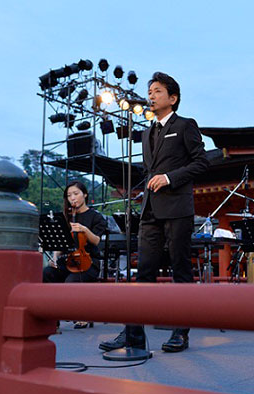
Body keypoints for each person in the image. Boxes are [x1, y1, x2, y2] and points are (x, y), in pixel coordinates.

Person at [99, 72, 208, 353]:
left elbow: (202, 162)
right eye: (150, 91)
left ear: (172, 98)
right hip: (149, 210)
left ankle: (180, 333)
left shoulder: (185, 125)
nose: (151, 95)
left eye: (157, 91)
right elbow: (150, 170)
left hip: (178, 209)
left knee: (180, 271)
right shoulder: (147, 132)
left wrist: (170, 177)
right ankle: (133, 333)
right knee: (142, 272)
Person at [43, 181, 107, 327]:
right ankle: (53, 317)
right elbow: (60, 244)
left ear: (84, 194)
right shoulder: (66, 217)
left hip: (88, 263)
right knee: (47, 273)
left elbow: (96, 240)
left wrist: (84, 229)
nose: (73, 198)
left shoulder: (95, 217)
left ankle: (80, 313)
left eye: (76, 194)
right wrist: (54, 258)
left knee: (70, 282)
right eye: (69, 195)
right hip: (68, 261)